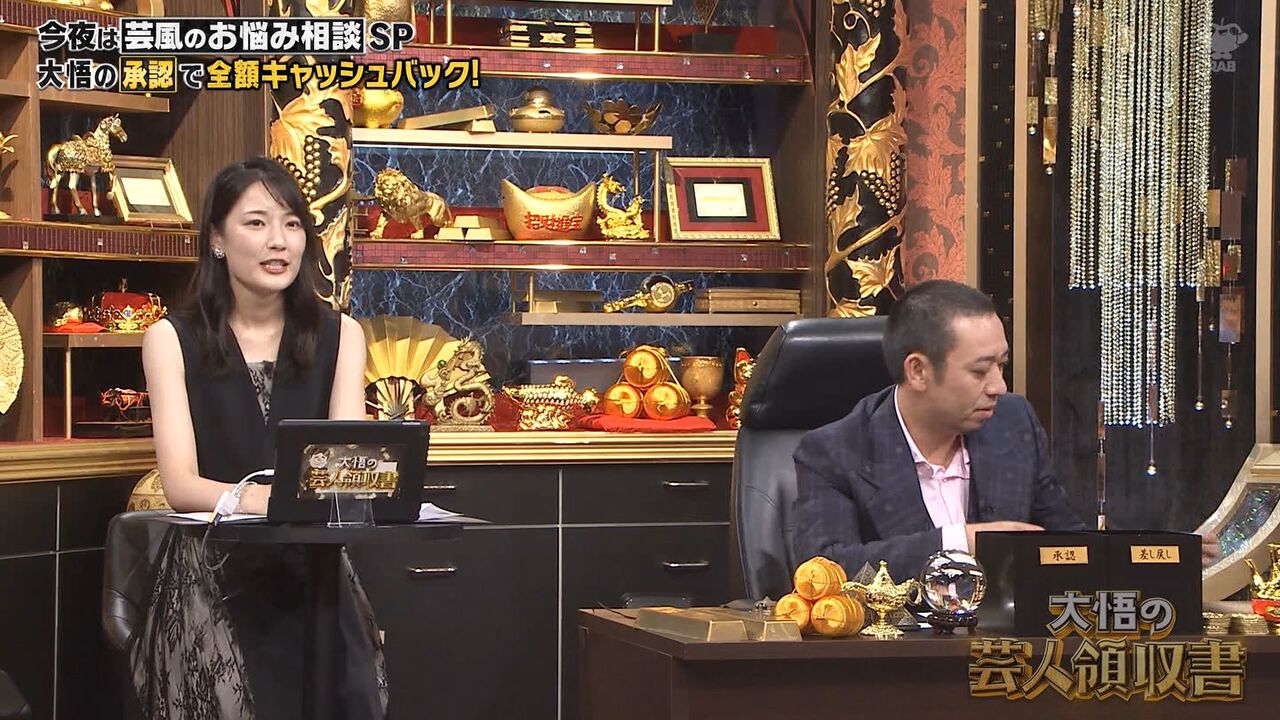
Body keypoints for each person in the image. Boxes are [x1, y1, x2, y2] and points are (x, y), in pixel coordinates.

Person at [137, 156, 383, 720]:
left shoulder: (341, 334)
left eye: (292, 223)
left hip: (315, 569)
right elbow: (180, 486)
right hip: (209, 572)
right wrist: (260, 499)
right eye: (256, 223)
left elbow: (347, 469)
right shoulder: (171, 339)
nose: (279, 241)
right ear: (217, 239)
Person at [789, 280, 1219, 579]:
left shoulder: (1012, 424)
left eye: (1001, 365)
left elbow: (1067, 543)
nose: (999, 387)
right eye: (980, 371)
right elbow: (825, 571)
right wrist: (960, 543)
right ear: (918, 371)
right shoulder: (835, 451)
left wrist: (1159, 555)